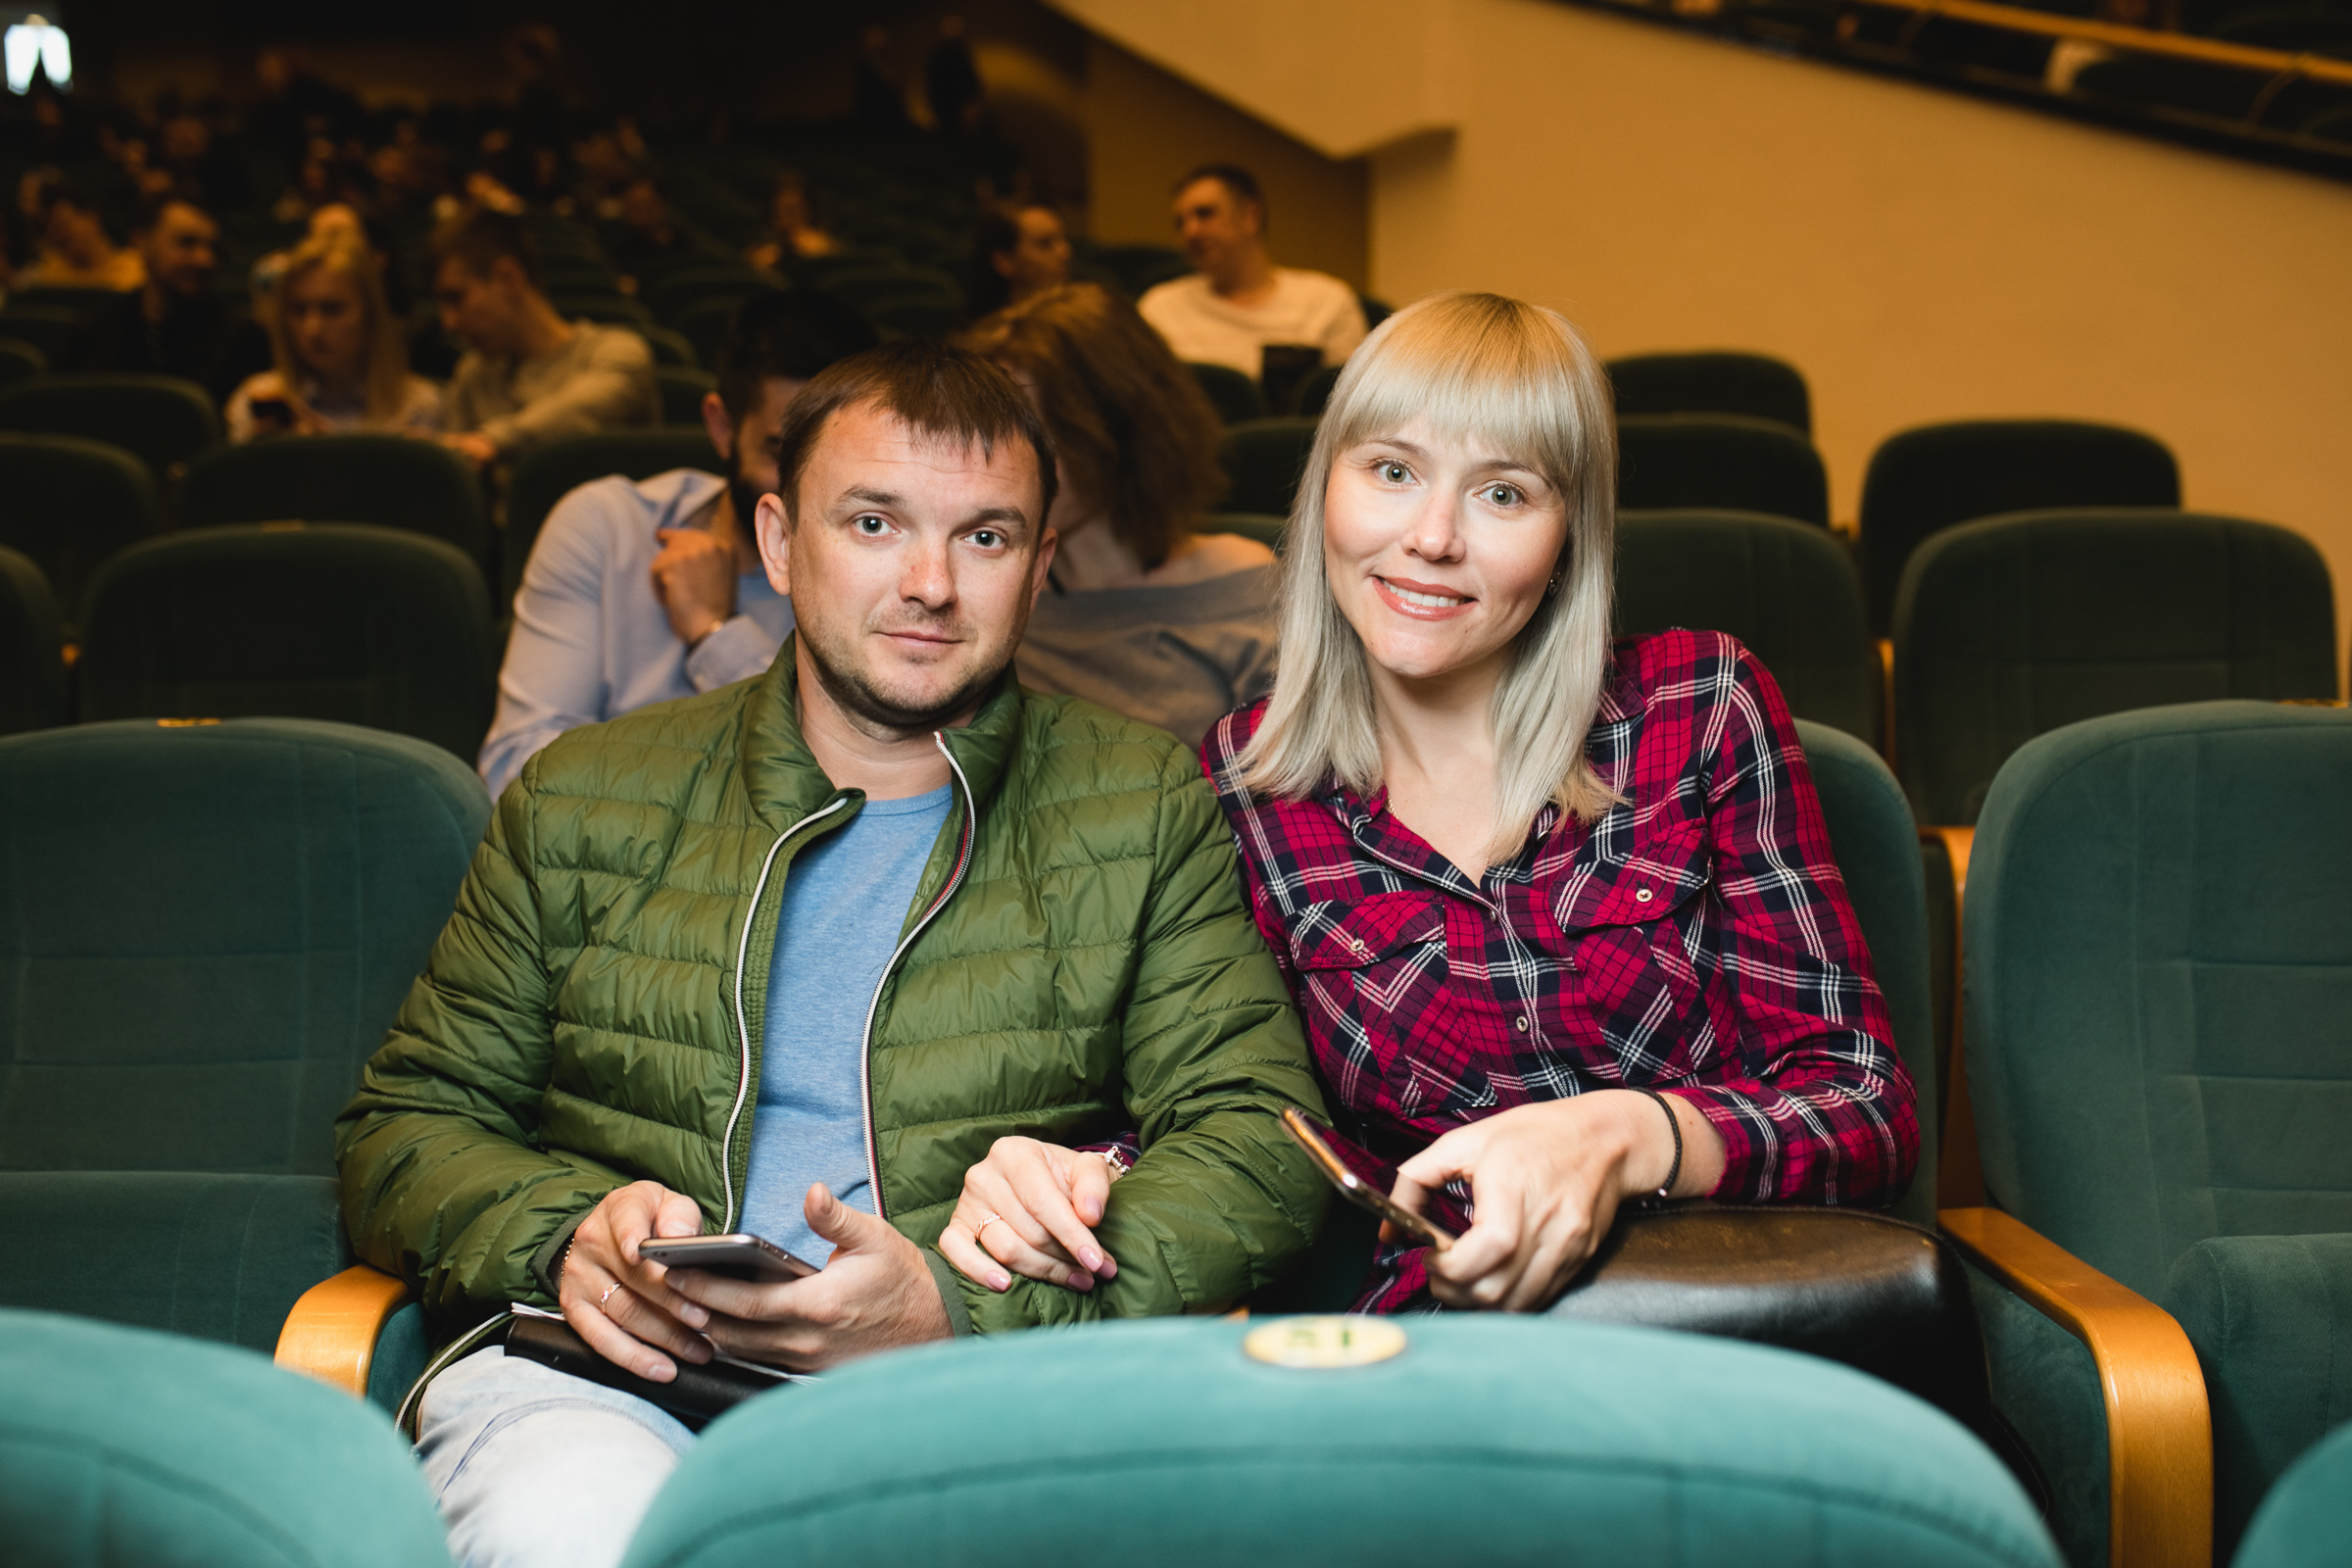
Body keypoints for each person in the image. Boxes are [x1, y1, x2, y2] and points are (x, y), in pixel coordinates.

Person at [339, 337, 1327, 1568]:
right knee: (575, 1528)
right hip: (613, 1381)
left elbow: (1260, 1139)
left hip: (970, 1394)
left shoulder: (1138, 802)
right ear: (776, 542)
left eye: (986, 537)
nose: (930, 583)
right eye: (874, 523)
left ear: (1038, 569)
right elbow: (405, 1126)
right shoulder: (584, 796)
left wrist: (961, 1309)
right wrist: (564, 1234)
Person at [948, 292, 1917, 1317]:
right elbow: (1239, 1117)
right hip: (1433, 1357)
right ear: (1328, 489)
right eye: (1393, 471)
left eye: (1503, 494)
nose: (1433, 538)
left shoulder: (1700, 706)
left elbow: (1866, 1104)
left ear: (1568, 540)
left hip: (1714, 1334)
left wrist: (1626, 1135)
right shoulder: (1246, 785)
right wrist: (1066, 1171)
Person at [476, 290, 877, 796]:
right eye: (781, 453)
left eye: (840, 459)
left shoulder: (883, 575)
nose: (808, 489)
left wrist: (717, 637)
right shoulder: (605, 526)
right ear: (723, 428)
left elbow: (840, 793)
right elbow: (515, 769)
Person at [958, 282, 1277, 747]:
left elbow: (1295, 800)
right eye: (992, 440)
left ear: (1120, 433)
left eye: (1042, 437)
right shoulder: (979, 593)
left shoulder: (1245, 591)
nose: (1007, 469)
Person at [431, 205, 657, 470]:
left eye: (456, 298)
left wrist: (491, 440)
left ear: (509, 279)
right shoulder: (472, 375)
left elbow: (579, 411)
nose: (449, 322)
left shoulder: (617, 352)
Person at [1137, 164, 1367, 383]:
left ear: (1250, 216)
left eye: (1204, 214)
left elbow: (1352, 410)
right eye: (1180, 223)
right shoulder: (1160, 309)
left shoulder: (1328, 301)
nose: (1190, 231)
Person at [224, 233, 441, 442]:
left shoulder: (418, 406)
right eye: (299, 310)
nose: (312, 328)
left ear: (369, 315)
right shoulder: (255, 402)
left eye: (332, 309)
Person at [65, 191, 270, 404]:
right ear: (141, 243)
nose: (205, 259)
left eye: (212, 248)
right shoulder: (93, 331)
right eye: (187, 243)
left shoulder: (240, 339)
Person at [13, 176, 142, 291]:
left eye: (62, 225)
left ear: (92, 217)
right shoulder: (47, 278)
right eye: (49, 231)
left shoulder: (137, 270)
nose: (59, 236)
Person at [965, 199, 1070, 318]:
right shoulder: (989, 334)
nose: (1065, 253)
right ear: (1004, 261)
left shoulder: (1076, 316)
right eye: (1045, 244)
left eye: (1062, 239)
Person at [744, 170, 837, 270]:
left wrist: (823, 257)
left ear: (809, 211)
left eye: (792, 211)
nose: (784, 219)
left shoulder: (828, 247)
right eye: (777, 211)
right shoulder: (760, 247)